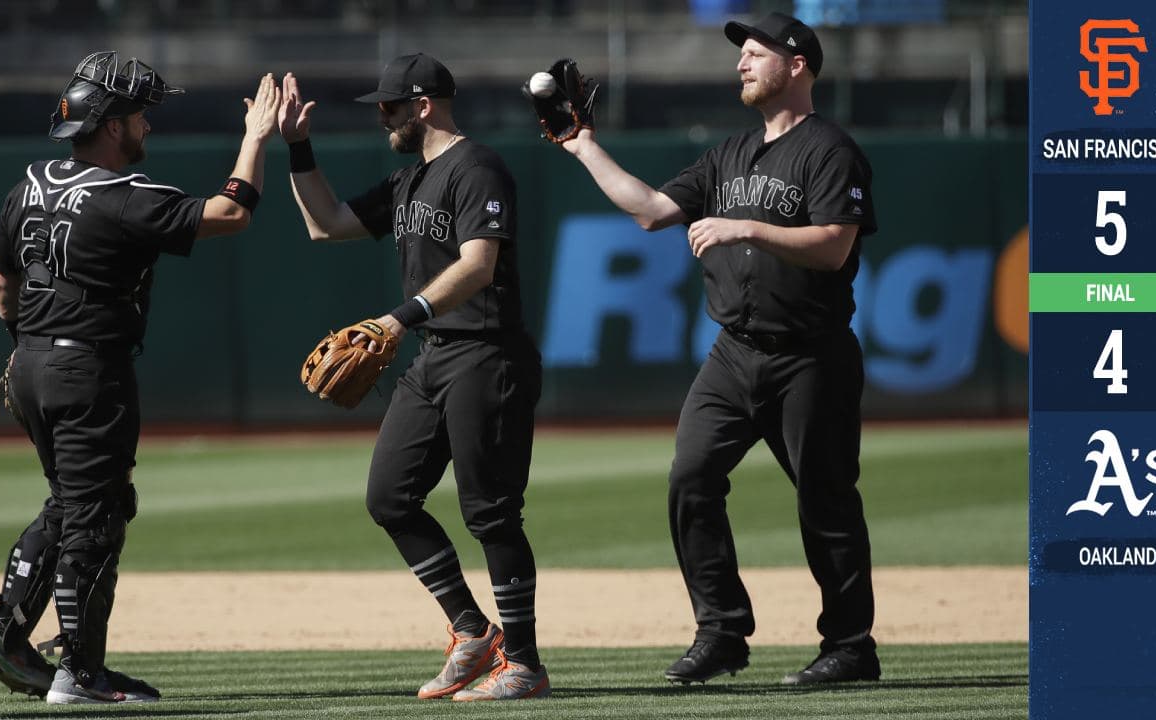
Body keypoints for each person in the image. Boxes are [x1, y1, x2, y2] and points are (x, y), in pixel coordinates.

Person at [555, 13, 881, 685]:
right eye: (742, 54)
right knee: (691, 478)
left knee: (826, 501)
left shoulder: (830, 150)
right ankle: (723, 631)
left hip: (810, 355)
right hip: (734, 354)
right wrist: (582, 145)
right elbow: (648, 210)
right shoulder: (727, 155)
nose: (742, 63)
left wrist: (747, 227)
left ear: (798, 65)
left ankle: (850, 646)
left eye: (757, 53)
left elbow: (834, 245)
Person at [0, 51, 279, 704]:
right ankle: (79, 675)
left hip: (28, 365)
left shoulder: (28, 184)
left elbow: (1, 283)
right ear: (111, 125)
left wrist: (27, 347)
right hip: (86, 372)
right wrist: (254, 140)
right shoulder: (125, 198)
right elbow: (231, 213)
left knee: (72, 505)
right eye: (140, 116)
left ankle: (4, 632)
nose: (148, 128)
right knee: (95, 520)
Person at [278, 54, 549, 701]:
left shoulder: (476, 167)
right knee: (389, 498)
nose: (383, 118)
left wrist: (401, 317)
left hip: (488, 354)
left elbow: (480, 265)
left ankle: (525, 666)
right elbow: (327, 223)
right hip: (435, 358)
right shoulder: (408, 182)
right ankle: (471, 631)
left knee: (491, 514)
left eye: (390, 107)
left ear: (423, 105)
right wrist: (296, 147)